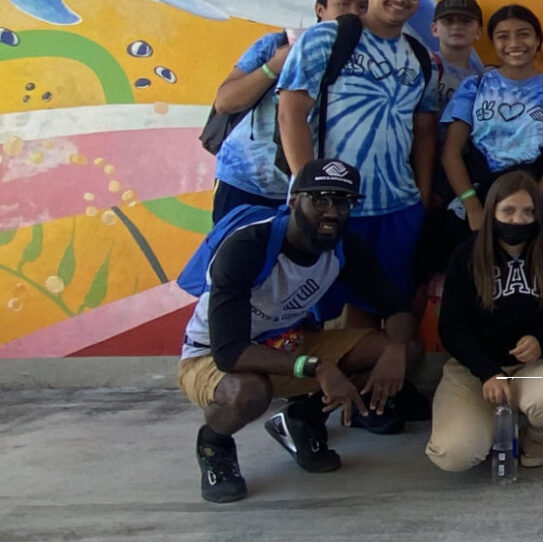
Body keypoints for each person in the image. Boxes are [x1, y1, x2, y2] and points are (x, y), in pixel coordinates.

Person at [178, 161, 420, 503]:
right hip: (212, 357)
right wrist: (317, 367)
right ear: (294, 202)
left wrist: (396, 348)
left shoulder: (344, 245)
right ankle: (214, 444)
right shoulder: (248, 246)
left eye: (342, 202)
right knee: (247, 391)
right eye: (320, 200)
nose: (332, 212)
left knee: (404, 351)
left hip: (289, 344)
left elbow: (395, 305)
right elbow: (230, 352)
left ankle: (301, 420)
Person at [277, 0, 438, 318]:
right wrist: (308, 190)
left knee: (380, 307)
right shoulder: (325, 39)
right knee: (316, 310)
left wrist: (422, 196)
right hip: (331, 203)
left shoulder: (421, 57)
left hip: (398, 206)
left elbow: (425, 129)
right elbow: (291, 113)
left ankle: (365, 376)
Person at [427, 172, 543, 473]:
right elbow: (452, 327)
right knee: (454, 454)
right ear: (491, 212)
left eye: (528, 212)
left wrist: (541, 339)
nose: (518, 220)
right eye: (508, 211)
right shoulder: (466, 255)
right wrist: (487, 372)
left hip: (533, 366)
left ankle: (539, 437)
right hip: (475, 372)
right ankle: (490, 427)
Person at [207, 0, 366, 221]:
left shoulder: (369, 60)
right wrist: (275, 66)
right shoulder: (276, 43)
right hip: (244, 182)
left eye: (362, 6)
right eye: (343, 4)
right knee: (236, 255)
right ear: (320, 9)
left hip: (313, 188)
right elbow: (225, 102)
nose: (354, 13)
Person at [442, 5, 543, 228]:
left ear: (538, 39)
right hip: (477, 202)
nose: (514, 43)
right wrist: (471, 205)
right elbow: (451, 152)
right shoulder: (474, 86)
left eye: (523, 34)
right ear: (493, 43)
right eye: (503, 36)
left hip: (528, 205)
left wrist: (532, 203)